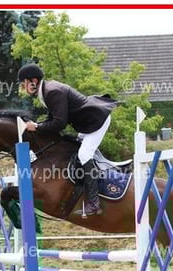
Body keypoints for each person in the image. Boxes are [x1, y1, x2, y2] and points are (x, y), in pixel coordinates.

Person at [17, 63, 117, 217]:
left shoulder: (52, 92)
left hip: (96, 121)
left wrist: (36, 126)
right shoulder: (46, 91)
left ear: (33, 81)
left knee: (84, 155)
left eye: (24, 83)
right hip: (87, 123)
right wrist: (37, 125)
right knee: (76, 150)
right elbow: (52, 119)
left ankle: (94, 203)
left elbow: (60, 123)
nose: (23, 87)